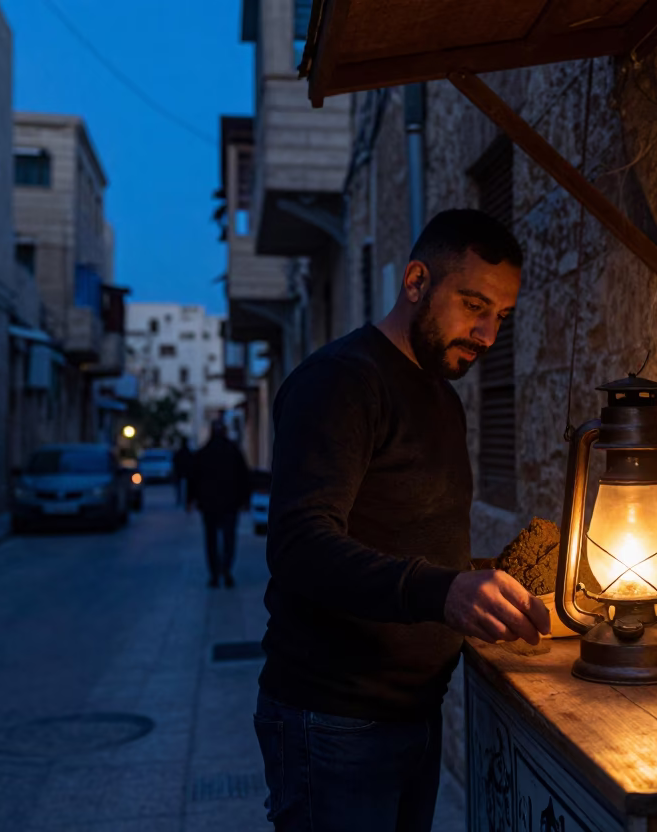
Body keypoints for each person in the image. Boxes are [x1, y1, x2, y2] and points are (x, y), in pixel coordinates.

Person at [256, 209, 550, 832]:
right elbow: (299, 544)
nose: (488, 334)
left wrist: (493, 578)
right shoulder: (339, 382)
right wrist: (442, 591)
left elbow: (404, 536)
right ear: (416, 281)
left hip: (415, 710)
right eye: (474, 304)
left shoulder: (442, 397)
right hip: (333, 720)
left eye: (501, 316)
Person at [187, 421, 250, 588]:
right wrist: (245, 500)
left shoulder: (203, 453)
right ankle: (226, 570)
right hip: (230, 503)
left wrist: (191, 500)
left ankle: (215, 574)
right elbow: (244, 477)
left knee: (211, 540)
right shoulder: (233, 451)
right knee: (228, 539)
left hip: (209, 505)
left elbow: (192, 479)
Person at [173, 437, 193, 506]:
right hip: (185, 471)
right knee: (186, 487)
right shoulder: (188, 452)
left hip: (181, 471)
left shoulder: (180, 452)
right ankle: (184, 500)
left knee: (180, 487)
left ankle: (180, 500)